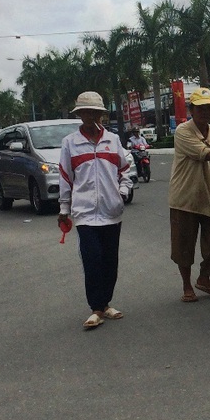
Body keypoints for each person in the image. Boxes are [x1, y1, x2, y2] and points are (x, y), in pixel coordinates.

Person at [58, 91, 133, 330]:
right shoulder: (70, 143)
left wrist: (122, 193)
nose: (90, 116)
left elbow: (125, 170)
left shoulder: (113, 139)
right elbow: (65, 177)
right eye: (85, 112)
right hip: (85, 213)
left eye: (95, 112)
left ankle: (106, 303)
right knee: (92, 258)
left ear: (101, 114)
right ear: (80, 115)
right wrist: (64, 208)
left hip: (112, 211)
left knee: (110, 260)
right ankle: (96, 308)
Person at [168, 86, 210, 303]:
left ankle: (204, 278)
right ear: (191, 109)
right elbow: (205, 155)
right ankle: (187, 285)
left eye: (208, 108)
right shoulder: (183, 131)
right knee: (184, 246)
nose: (205, 112)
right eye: (200, 108)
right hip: (185, 198)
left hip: (208, 196)